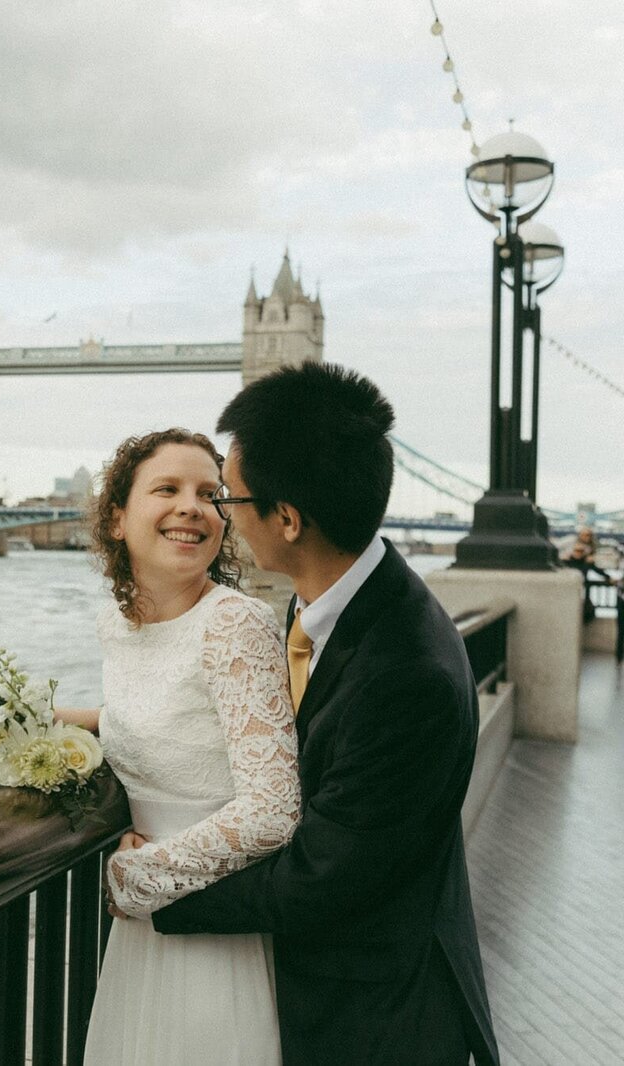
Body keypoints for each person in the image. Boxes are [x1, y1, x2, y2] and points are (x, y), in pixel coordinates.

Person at [146, 362, 499, 1064]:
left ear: (286, 518)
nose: (221, 514)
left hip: (381, 1019)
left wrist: (157, 889)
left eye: (231, 498)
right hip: (337, 991)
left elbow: (321, 876)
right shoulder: (322, 604)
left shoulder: (409, 673)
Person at [56, 426, 302, 1063]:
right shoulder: (118, 624)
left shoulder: (234, 623)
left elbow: (274, 809)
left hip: (210, 920)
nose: (193, 506)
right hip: (144, 931)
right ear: (116, 518)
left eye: (211, 494)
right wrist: (42, 722)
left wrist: (138, 877)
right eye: (167, 488)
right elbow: (164, 722)